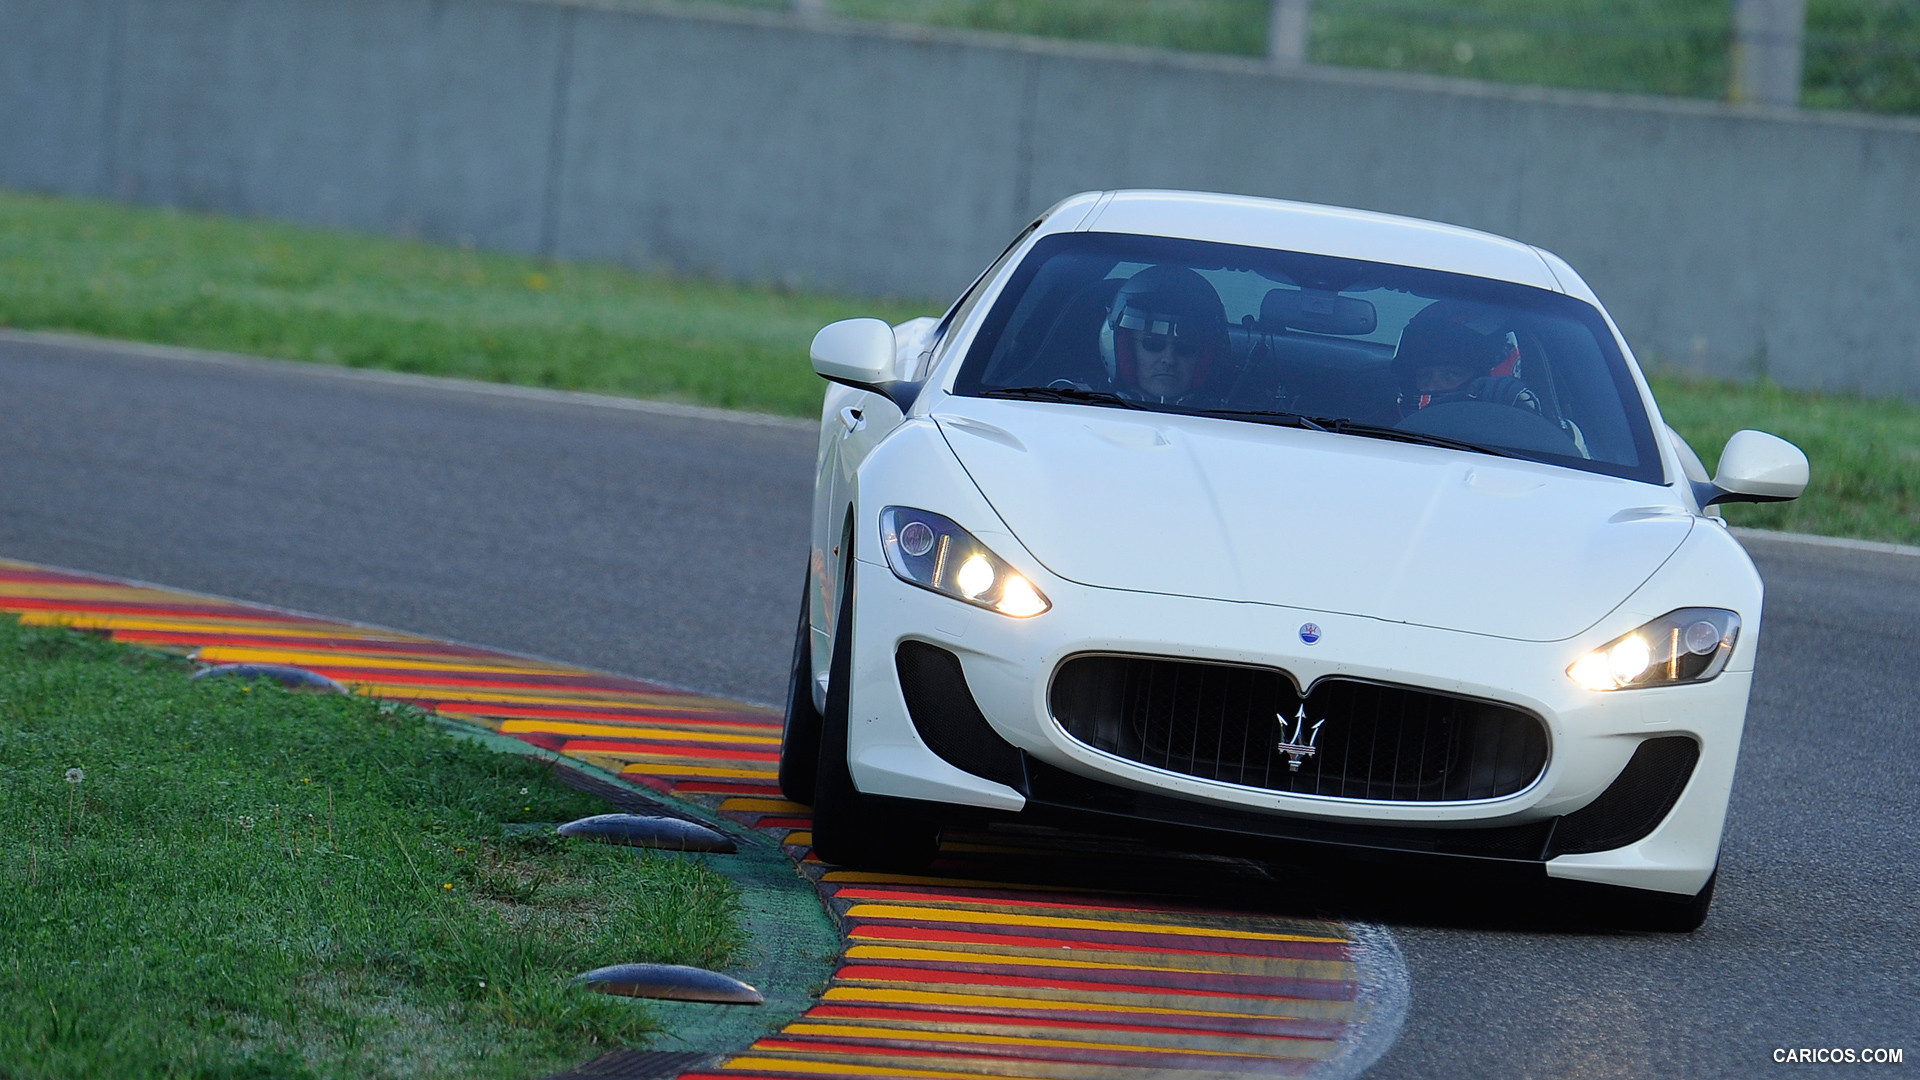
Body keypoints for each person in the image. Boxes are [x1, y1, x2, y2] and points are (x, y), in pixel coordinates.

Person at [1098, 265, 1229, 405]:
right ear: (1125, 348)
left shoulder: (1233, 423)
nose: (1169, 359)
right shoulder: (1085, 409)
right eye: (1153, 344)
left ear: (1207, 357)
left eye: (1186, 347)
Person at [1391, 301, 1543, 418]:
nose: (1432, 387)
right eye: (1425, 375)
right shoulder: (1378, 424)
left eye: (1450, 374)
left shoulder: (1527, 433)